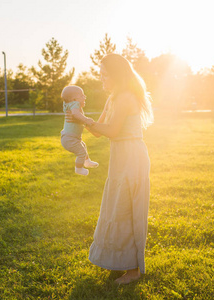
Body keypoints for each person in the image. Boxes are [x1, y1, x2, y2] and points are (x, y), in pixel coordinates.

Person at [66, 53, 153, 284]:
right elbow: (98, 130)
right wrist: (77, 118)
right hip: (119, 158)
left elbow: (112, 131)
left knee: (129, 210)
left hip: (132, 157)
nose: (101, 79)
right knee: (117, 209)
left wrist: (83, 119)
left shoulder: (125, 97)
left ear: (116, 75)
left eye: (105, 75)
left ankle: (134, 270)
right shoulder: (113, 97)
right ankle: (121, 262)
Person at [60, 85, 99, 176]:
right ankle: (79, 169)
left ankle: (87, 161)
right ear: (74, 99)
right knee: (81, 152)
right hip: (70, 138)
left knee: (83, 146)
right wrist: (86, 120)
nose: (84, 97)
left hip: (70, 137)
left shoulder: (69, 104)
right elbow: (75, 113)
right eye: (81, 95)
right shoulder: (75, 104)